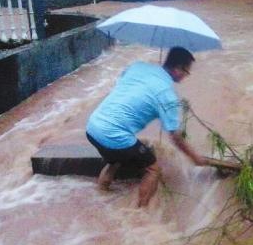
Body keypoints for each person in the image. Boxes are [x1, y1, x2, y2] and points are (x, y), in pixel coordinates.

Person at [86, 47, 208, 207]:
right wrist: (194, 157)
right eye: (187, 71)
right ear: (178, 69)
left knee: (114, 161)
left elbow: (124, 85)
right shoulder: (167, 94)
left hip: (93, 127)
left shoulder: (138, 66)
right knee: (153, 169)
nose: (186, 76)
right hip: (114, 136)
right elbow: (175, 136)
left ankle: (101, 193)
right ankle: (139, 213)